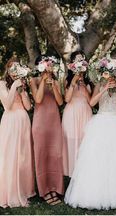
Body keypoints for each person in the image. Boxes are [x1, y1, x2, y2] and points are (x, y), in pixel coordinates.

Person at [65, 58, 116, 210]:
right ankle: (96, 193)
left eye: (113, 73)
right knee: (98, 157)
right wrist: (104, 88)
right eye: (108, 73)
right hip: (101, 122)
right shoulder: (99, 85)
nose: (110, 75)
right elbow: (92, 103)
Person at [0, 57, 35, 208]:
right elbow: (7, 105)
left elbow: (28, 107)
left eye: (17, 68)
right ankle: (10, 191)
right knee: (10, 155)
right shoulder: (1, 84)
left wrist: (23, 92)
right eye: (12, 68)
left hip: (23, 121)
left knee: (23, 156)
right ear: (7, 70)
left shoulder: (22, 84)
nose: (14, 71)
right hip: (10, 122)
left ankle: (24, 189)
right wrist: (14, 85)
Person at [30, 55, 64, 205]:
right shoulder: (34, 80)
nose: (48, 67)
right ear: (40, 67)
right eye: (45, 64)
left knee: (55, 155)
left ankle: (55, 188)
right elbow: (38, 99)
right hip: (40, 124)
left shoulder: (56, 81)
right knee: (42, 156)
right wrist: (43, 81)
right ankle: (44, 191)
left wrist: (54, 86)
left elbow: (60, 101)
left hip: (54, 123)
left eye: (49, 64)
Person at [62, 51, 92, 177]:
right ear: (72, 64)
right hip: (72, 112)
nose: (80, 62)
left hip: (85, 112)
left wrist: (83, 85)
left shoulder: (88, 81)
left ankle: (85, 173)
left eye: (82, 60)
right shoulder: (67, 80)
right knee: (72, 141)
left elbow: (90, 102)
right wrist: (73, 83)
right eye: (77, 60)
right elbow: (67, 99)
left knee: (85, 142)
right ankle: (72, 173)